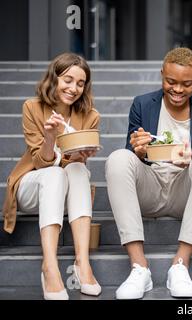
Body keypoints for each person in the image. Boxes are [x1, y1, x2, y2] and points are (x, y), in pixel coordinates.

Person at [105, 47, 192, 299]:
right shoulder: (142, 104)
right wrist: (138, 150)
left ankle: (180, 264)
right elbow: (132, 154)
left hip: (186, 192)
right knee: (118, 158)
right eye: (171, 81)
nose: (178, 90)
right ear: (161, 74)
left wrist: (191, 159)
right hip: (150, 187)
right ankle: (139, 267)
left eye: (186, 84)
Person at [2, 52, 102, 300]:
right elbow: (41, 161)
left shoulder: (90, 116)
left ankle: (82, 263)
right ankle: (49, 265)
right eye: (68, 80)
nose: (74, 88)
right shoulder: (32, 108)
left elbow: (74, 162)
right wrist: (49, 137)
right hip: (32, 186)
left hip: (66, 189)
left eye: (80, 83)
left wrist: (81, 156)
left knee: (78, 169)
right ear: (54, 78)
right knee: (55, 173)